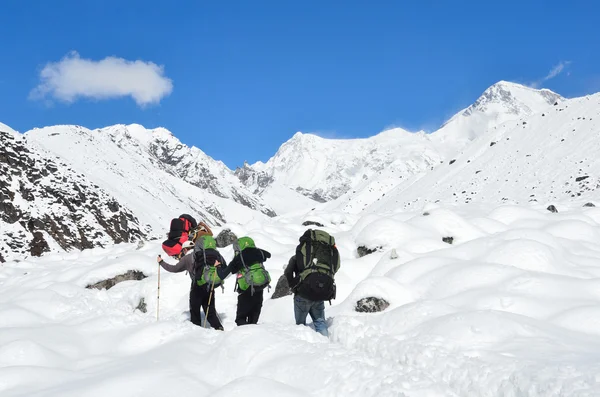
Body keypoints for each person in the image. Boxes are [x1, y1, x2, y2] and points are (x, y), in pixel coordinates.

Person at [157, 235, 228, 330]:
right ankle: (218, 328)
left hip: (197, 287)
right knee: (210, 311)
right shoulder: (212, 255)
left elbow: (173, 269)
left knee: (195, 311)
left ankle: (196, 332)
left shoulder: (188, 258)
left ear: (185, 249)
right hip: (210, 285)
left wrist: (161, 262)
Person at [284, 229, 340, 337]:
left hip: (302, 294)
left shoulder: (299, 256)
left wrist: (293, 286)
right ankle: (325, 343)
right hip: (320, 294)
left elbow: (288, 272)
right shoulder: (328, 254)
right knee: (320, 322)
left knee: (300, 326)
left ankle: (305, 349)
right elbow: (336, 268)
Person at [223, 236, 272, 326]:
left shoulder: (239, 258)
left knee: (240, 319)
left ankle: (244, 337)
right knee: (253, 320)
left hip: (246, 290)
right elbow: (268, 255)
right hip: (259, 287)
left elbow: (226, 273)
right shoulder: (260, 253)